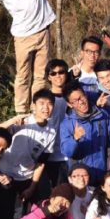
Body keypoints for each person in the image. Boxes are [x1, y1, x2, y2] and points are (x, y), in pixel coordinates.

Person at [0, 89, 58, 219]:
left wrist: (32, 187)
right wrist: (12, 122)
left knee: (34, 216)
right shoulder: (21, 122)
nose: (46, 108)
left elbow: (41, 162)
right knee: (6, 217)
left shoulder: (51, 131)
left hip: (27, 177)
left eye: (50, 104)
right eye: (41, 103)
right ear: (33, 105)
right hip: (6, 174)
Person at [59, 81, 110, 186]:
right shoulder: (66, 124)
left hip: (102, 175)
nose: (80, 102)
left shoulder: (103, 115)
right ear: (69, 104)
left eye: (81, 97)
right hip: (81, 179)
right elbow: (67, 152)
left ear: (86, 94)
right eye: (75, 101)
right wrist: (75, 139)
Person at [44, 59, 70, 188]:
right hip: (50, 156)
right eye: (53, 73)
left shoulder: (73, 96)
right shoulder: (44, 99)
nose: (57, 76)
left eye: (61, 72)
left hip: (71, 155)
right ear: (48, 77)